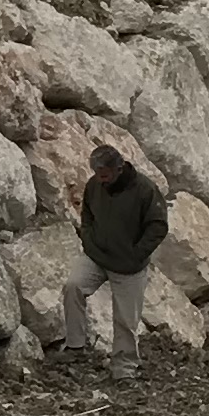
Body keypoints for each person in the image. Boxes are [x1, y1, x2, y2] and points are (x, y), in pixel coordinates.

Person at [68, 146, 169, 361]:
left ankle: (125, 368)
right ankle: (75, 348)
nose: (100, 180)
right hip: (96, 256)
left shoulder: (145, 190)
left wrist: (136, 254)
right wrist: (88, 238)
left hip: (128, 266)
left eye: (104, 175)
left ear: (119, 169)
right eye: (97, 174)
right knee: (72, 287)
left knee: (125, 320)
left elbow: (158, 226)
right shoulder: (95, 185)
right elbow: (87, 214)